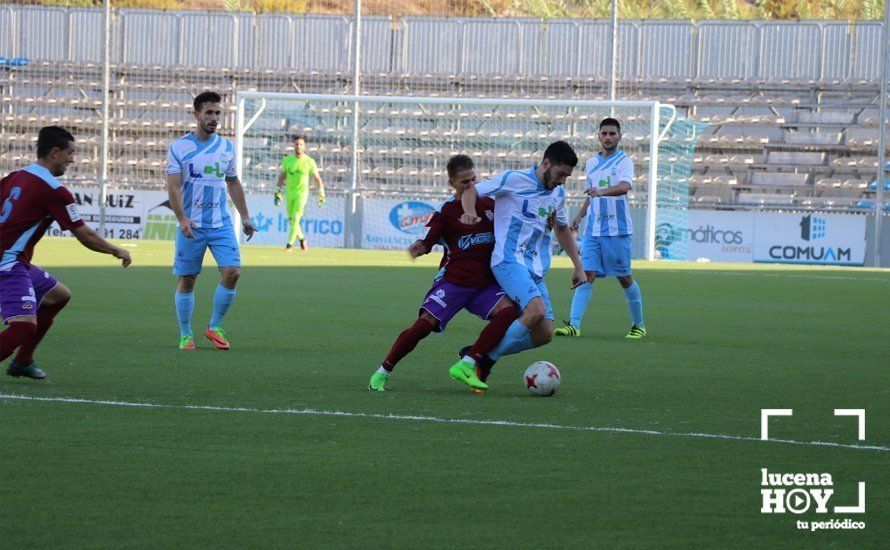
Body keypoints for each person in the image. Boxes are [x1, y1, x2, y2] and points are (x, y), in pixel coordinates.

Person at [369, 155, 518, 393]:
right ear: (451, 183)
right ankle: (383, 371)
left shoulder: (490, 205)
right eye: (464, 182)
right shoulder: (446, 212)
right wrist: (418, 247)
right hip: (454, 283)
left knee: (510, 312)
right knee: (423, 326)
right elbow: (426, 240)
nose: (471, 186)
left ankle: (471, 360)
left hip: (483, 285)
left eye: (473, 180)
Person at [0, 126, 132, 379]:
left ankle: (22, 361)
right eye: (71, 153)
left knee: (58, 296)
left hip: (14, 260)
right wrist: (117, 250)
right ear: (55, 152)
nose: (73, 159)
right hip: (7, 264)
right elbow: (84, 235)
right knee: (23, 328)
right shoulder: (53, 189)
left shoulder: (17, 175)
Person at [459, 141, 585, 376]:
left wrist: (578, 265)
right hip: (507, 261)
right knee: (535, 311)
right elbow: (471, 190)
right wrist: (469, 212)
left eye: (567, 176)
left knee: (544, 334)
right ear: (546, 163)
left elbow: (562, 229)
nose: (563, 180)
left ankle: (479, 351)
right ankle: (484, 361)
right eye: (560, 174)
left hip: (534, 269)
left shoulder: (557, 193)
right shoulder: (513, 179)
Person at [166, 91, 256, 351]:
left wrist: (246, 217)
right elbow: (173, 188)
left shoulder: (226, 147)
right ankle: (186, 333)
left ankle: (214, 326)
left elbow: (232, 182)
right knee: (188, 279)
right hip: (191, 225)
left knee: (233, 272)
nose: (215, 118)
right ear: (197, 115)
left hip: (221, 223)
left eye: (218, 113)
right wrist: (181, 217)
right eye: (209, 113)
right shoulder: (179, 147)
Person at [554, 117, 646, 339]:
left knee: (624, 277)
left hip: (617, 229)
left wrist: (601, 193)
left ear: (619, 137)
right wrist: (579, 216)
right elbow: (590, 194)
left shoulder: (624, 162)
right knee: (587, 274)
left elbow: (624, 187)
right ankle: (574, 325)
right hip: (594, 229)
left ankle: (639, 325)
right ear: (598, 136)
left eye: (612, 134)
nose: (608, 137)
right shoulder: (592, 163)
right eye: (604, 133)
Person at [275, 135, 325, 252]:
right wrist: (277, 190)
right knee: (291, 220)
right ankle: (302, 239)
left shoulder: (309, 161)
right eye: (296, 144)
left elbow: (317, 178)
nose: (298, 146)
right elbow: (282, 176)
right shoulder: (287, 160)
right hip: (289, 193)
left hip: (302, 193)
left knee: (296, 218)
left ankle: (289, 245)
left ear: (305, 147)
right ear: (294, 146)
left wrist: (321, 194)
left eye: (301, 144)